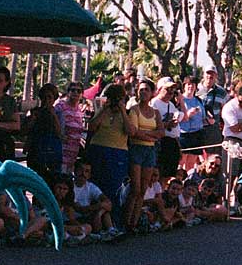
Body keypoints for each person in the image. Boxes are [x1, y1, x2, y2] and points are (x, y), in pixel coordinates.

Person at [85, 83, 132, 213]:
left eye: (120, 99)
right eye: (114, 99)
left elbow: (131, 131)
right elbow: (92, 126)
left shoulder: (127, 113)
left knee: (114, 187)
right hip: (98, 150)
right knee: (97, 185)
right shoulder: (101, 110)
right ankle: (96, 218)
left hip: (117, 153)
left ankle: (113, 219)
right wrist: (105, 109)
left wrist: (122, 110)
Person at [125, 78, 163, 232]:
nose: (143, 92)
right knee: (135, 188)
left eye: (147, 89)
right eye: (141, 89)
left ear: (152, 93)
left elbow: (161, 131)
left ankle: (134, 223)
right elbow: (133, 132)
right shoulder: (134, 110)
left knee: (143, 189)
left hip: (150, 151)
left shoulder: (156, 112)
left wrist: (148, 134)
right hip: (136, 149)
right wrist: (150, 136)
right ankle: (126, 222)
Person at [25, 83, 63, 186]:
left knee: (52, 181)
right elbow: (27, 130)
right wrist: (33, 118)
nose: (46, 100)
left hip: (52, 150)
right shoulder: (35, 111)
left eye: (49, 97)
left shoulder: (58, 113)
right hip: (36, 149)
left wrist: (53, 115)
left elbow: (60, 133)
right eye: (44, 97)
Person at [72, 161, 118, 239]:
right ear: (75, 171)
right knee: (101, 207)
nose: (83, 173)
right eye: (81, 170)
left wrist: (99, 213)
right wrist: (99, 206)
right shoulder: (70, 187)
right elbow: (80, 209)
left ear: (89, 175)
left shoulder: (90, 186)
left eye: (86, 171)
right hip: (75, 219)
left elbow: (108, 203)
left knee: (105, 210)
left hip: (88, 216)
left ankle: (111, 231)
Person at [150, 77, 183, 178]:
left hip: (172, 143)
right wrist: (167, 124)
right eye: (167, 89)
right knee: (159, 174)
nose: (170, 92)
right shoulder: (154, 103)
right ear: (159, 89)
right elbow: (151, 124)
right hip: (161, 143)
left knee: (168, 175)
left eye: (172, 90)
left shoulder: (171, 105)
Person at [54, 81, 86, 174]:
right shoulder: (60, 106)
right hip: (61, 152)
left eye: (79, 91)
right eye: (73, 90)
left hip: (73, 153)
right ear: (68, 92)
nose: (75, 93)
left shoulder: (79, 110)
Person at [51, 175, 91, 244]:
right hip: (52, 226)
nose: (61, 191)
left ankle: (76, 238)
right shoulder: (49, 201)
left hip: (66, 226)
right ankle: (75, 237)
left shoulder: (68, 205)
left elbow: (72, 220)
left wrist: (79, 228)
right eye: (59, 188)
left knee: (88, 227)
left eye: (65, 189)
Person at [178, 76, 206, 172]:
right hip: (183, 134)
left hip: (196, 134)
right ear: (184, 86)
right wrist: (188, 114)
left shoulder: (199, 100)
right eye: (188, 84)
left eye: (193, 84)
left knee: (191, 163)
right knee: (181, 163)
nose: (191, 87)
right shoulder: (179, 100)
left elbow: (203, 117)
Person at [197, 64, 226, 147]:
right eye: (208, 73)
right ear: (203, 75)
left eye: (212, 74)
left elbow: (225, 110)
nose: (210, 76)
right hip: (197, 128)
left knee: (213, 156)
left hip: (214, 128)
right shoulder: (196, 89)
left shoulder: (222, 92)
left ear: (216, 76)